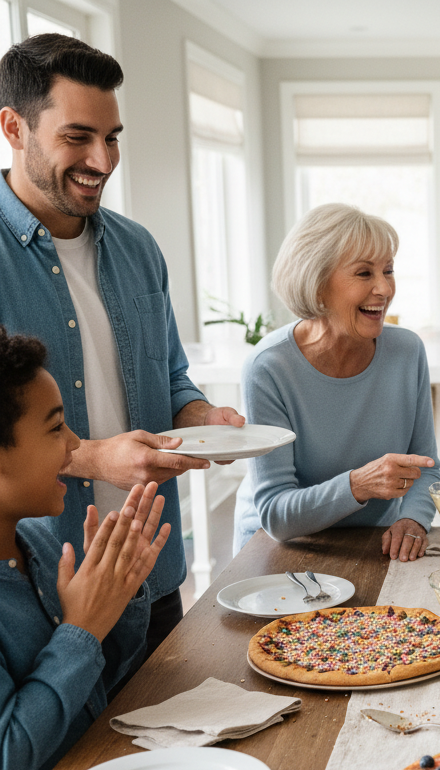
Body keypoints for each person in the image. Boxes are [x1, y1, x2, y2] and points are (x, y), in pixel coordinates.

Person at [0, 34, 243, 655]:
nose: (102, 161)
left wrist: (203, 420)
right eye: (77, 137)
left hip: (153, 573)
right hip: (47, 587)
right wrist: (92, 459)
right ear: (14, 129)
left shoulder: (139, 250)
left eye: (112, 138)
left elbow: (172, 380)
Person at [0, 327, 170, 770]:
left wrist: (119, 592)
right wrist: (82, 630)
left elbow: (91, 688)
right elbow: (9, 760)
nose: (75, 446)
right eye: (55, 429)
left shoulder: (39, 542)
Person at [232, 204, 439, 561]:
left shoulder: (407, 352)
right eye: (364, 273)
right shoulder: (268, 368)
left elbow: (426, 468)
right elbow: (276, 514)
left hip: (373, 543)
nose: (384, 288)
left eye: (388, 270)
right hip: (278, 547)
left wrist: (414, 519)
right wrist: (358, 485)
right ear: (317, 284)